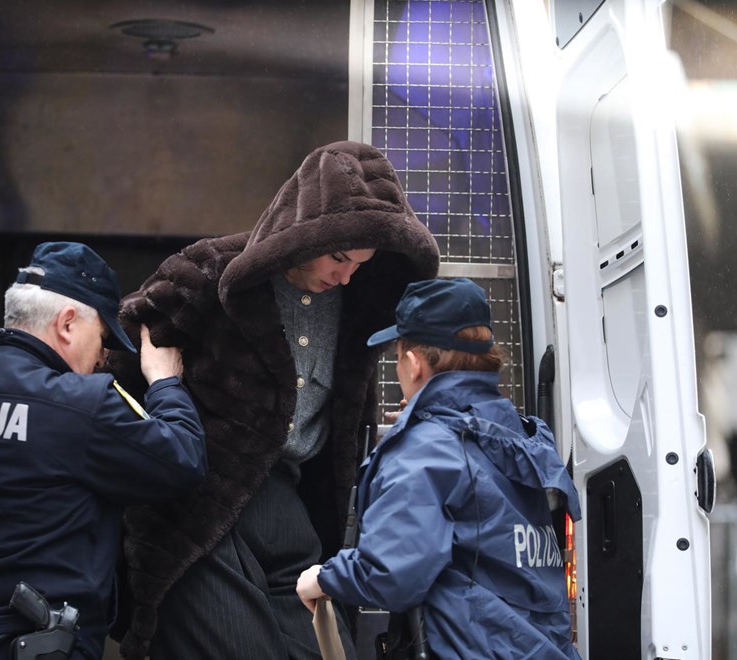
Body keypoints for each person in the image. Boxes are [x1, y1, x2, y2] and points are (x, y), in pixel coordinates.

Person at [109, 141, 440, 659]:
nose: (346, 275)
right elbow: (120, 358)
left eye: (361, 264)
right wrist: (159, 390)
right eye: (338, 258)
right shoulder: (211, 271)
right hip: (198, 498)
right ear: (303, 232)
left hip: (288, 499)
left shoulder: (358, 307)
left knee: (323, 646)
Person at [0, 241, 208, 660]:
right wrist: (165, 382)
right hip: (30, 645)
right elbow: (183, 460)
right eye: (102, 339)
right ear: (67, 324)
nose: (102, 358)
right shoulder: (79, 404)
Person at [296, 278, 582, 660]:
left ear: (414, 364)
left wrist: (324, 578)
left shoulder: (426, 449)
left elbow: (392, 572)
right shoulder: (523, 436)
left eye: (398, 356)